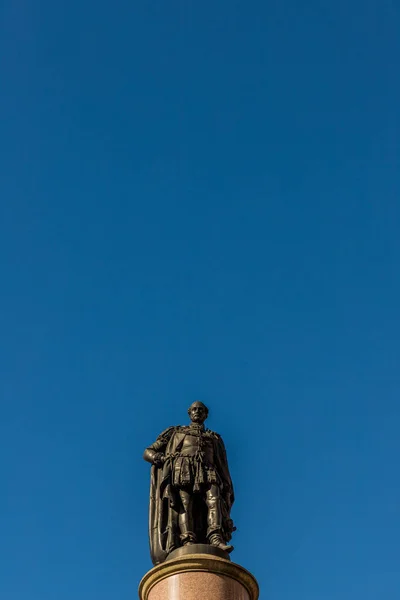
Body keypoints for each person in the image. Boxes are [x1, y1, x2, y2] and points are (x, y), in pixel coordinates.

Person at [143, 401, 235, 565]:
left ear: (206, 414)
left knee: (213, 500)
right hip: (183, 470)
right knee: (185, 505)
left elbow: (222, 464)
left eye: (201, 410)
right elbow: (148, 452)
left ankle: (215, 538)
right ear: (189, 413)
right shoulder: (175, 433)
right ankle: (187, 540)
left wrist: (227, 487)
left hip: (208, 471)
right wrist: (162, 459)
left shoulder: (213, 438)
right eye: (194, 409)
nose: (197, 412)